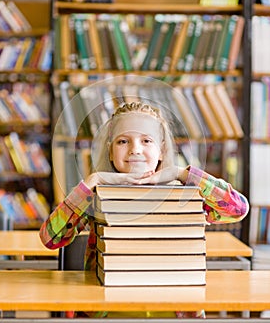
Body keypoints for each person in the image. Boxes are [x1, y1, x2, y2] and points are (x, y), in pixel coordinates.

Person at [40, 101, 249, 319]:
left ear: (161, 151)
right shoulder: (95, 196)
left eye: (146, 140)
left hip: (172, 312)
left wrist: (181, 174)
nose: (135, 149)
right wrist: (94, 180)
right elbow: (50, 238)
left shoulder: (183, 196)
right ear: (110, 152)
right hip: (108, 312)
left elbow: (238, 208)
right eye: (123, 141)